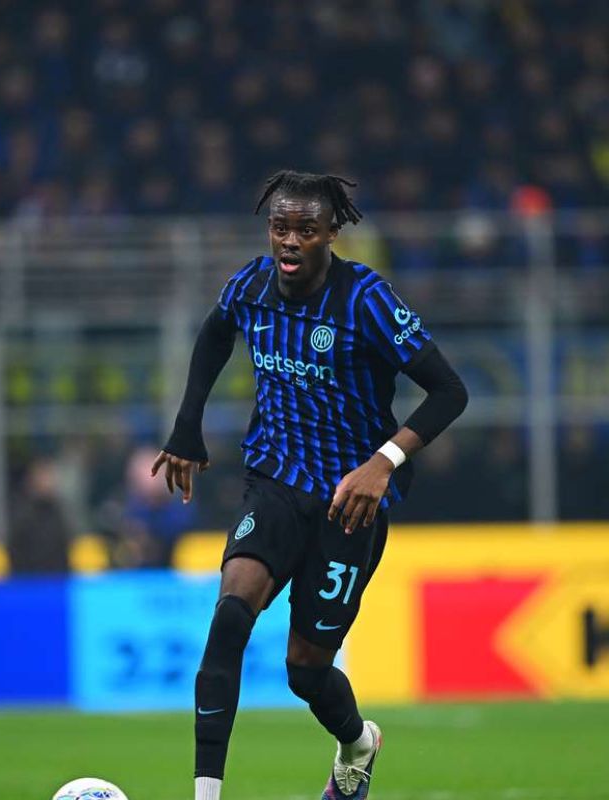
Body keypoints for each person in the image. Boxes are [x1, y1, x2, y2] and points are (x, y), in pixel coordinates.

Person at [152, 171, 468, 800]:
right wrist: (187, 427)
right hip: (274, 482)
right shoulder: (250, 285)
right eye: (280, 227)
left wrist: (383, 462)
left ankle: (358, 743)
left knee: (305, 669)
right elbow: (214, 333)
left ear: (331, 234)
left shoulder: (366, 299)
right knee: (229, 618)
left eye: (305, 229)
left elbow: (449, 391)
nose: (289, 240)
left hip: (348, 506)